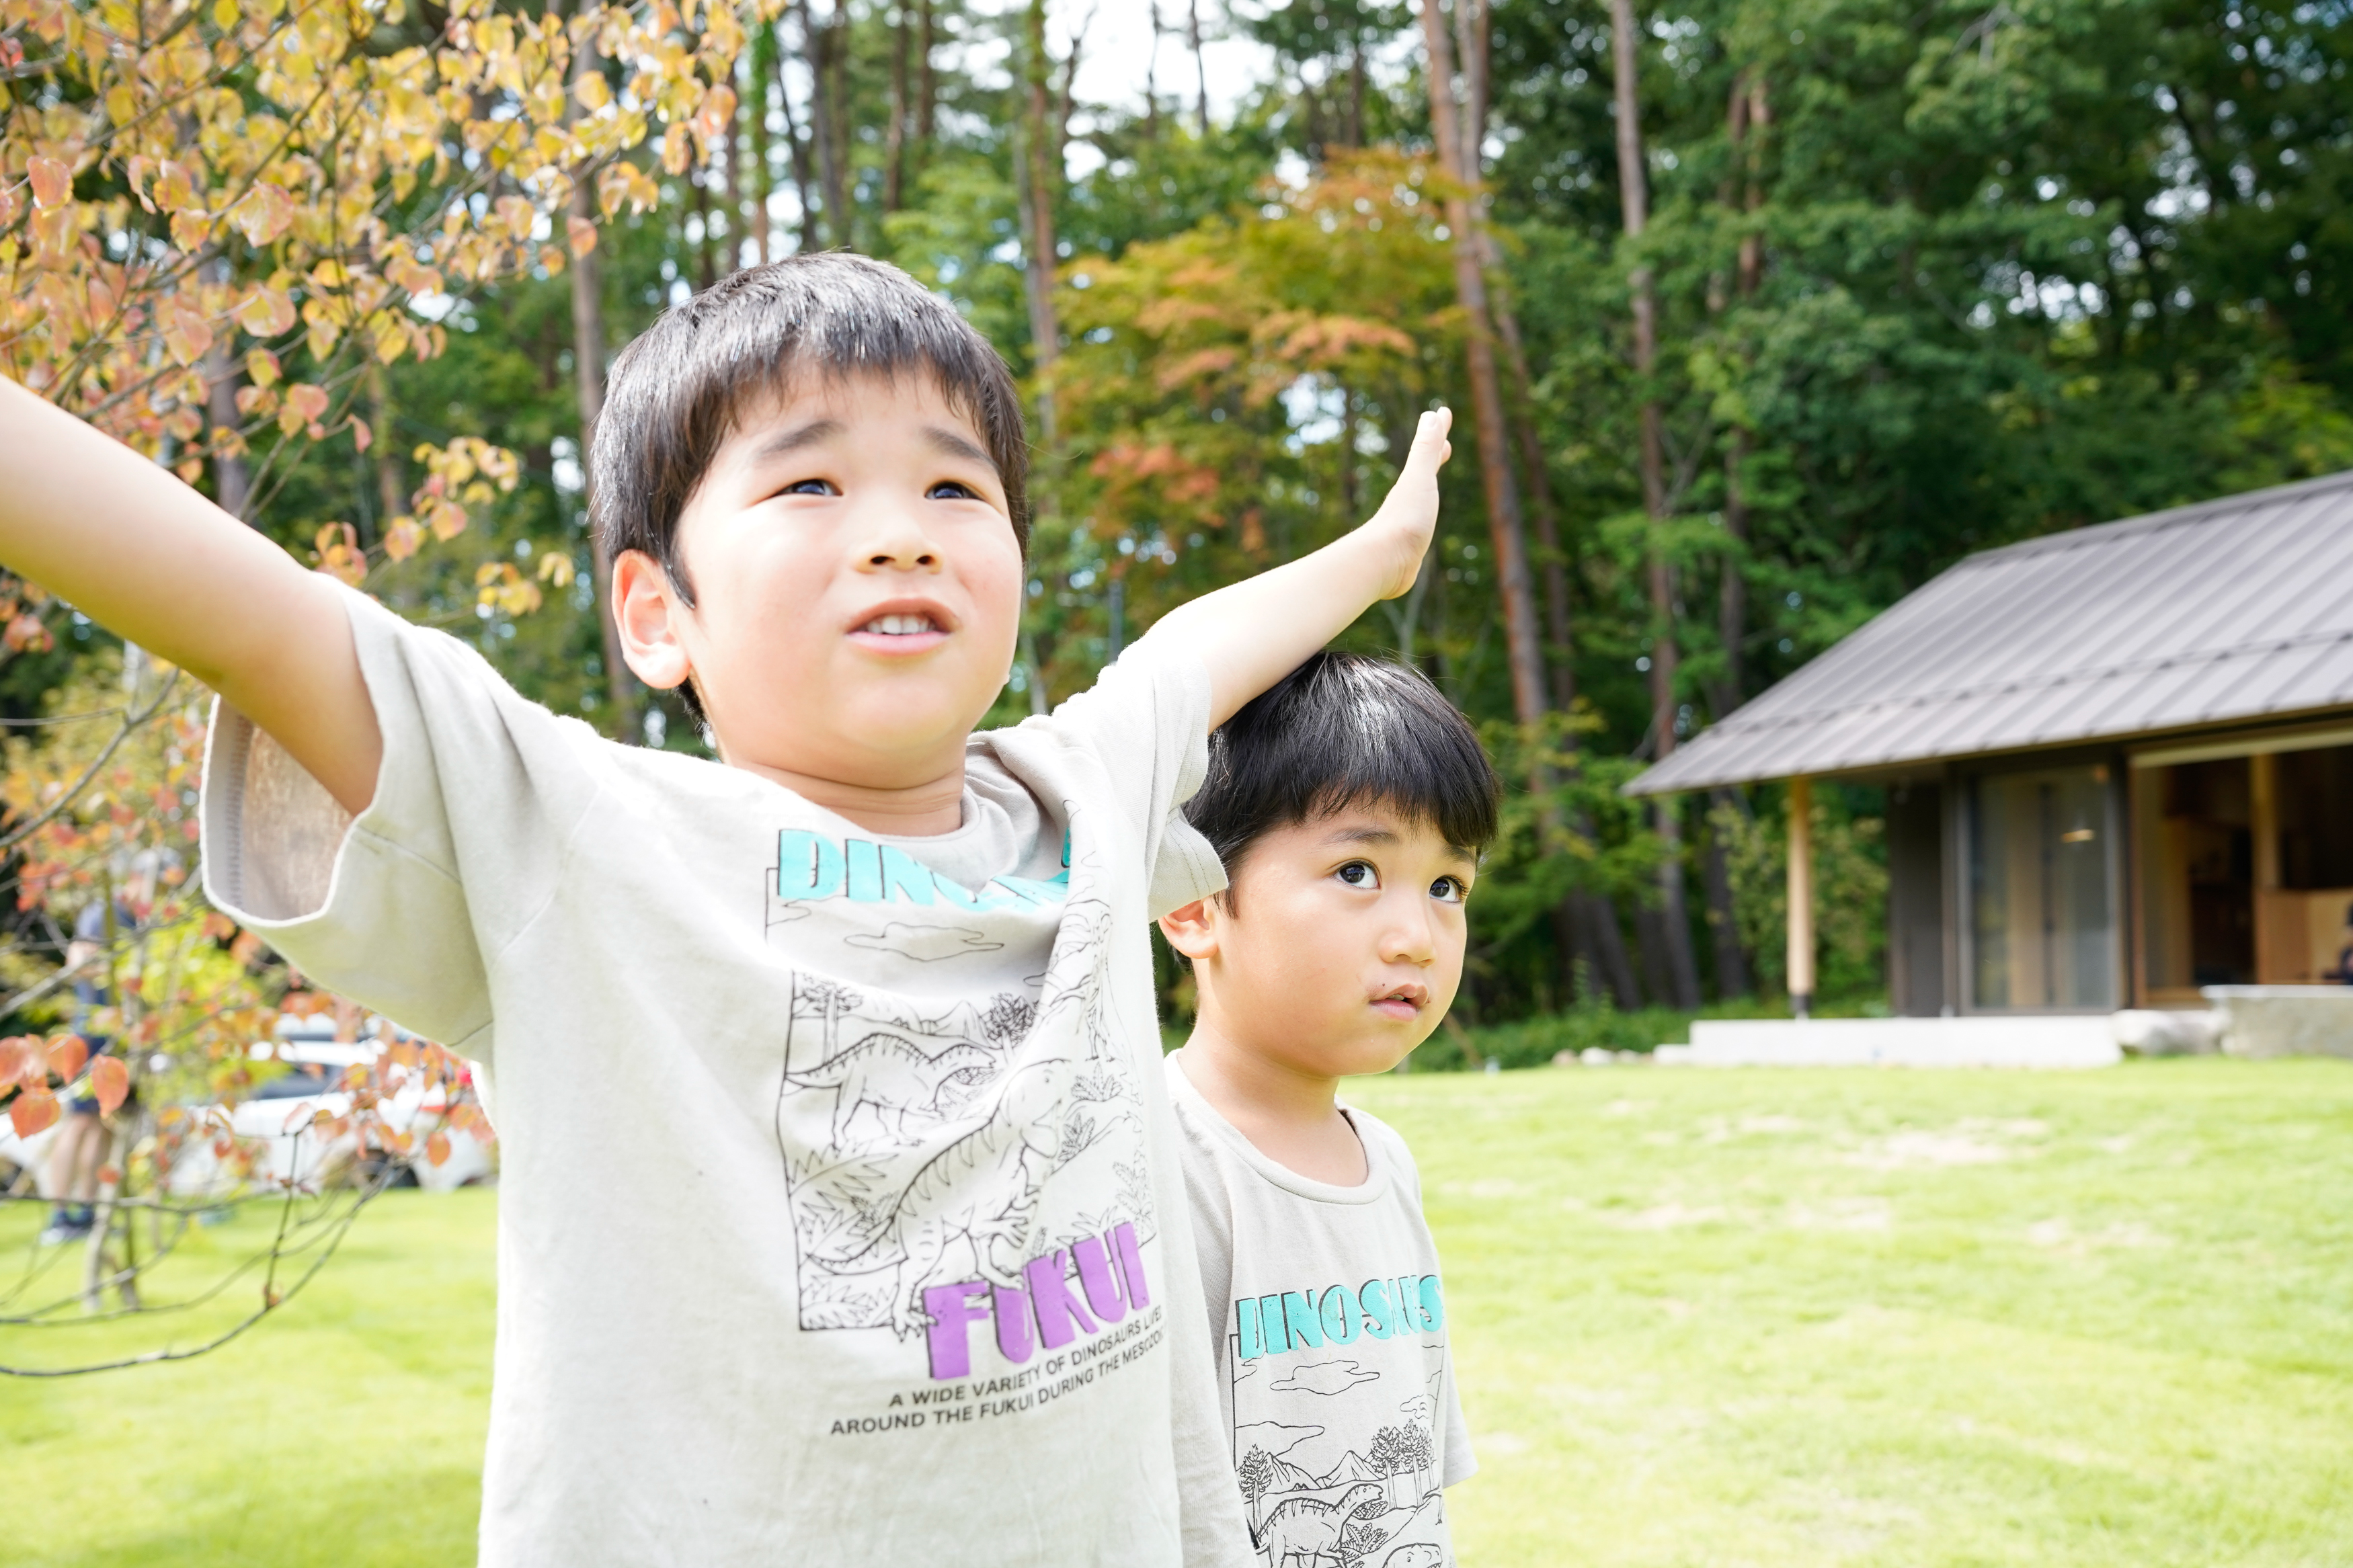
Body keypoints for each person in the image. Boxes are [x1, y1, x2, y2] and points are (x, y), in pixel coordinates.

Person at [0, 253, 1453, 1566]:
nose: (901, 534)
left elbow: (1194, 649)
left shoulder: (1079, 800)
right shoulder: (575, 834)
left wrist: (1382, 554)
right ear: (655, 614)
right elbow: (248, 613)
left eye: (956, 489)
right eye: (810, 484)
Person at [1156, 653, 1499, 1568]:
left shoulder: (1386, 1161)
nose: (1417, 938)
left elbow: (1415, 1473)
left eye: (1447, 887)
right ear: (1194, 904)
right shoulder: (1157, 1158)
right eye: (1357, 870)